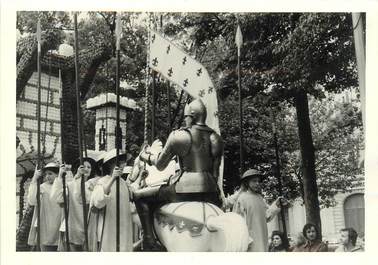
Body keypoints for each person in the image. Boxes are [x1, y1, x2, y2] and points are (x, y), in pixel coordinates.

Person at [135, 99, 224, 250]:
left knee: (139, 196)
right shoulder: (215, 137)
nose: (185, 120)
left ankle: (149, 239)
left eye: (186, 117)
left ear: (193, 116)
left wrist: (145, 156)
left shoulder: (180, 136)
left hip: (184, 189)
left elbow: (160, 165)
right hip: (210, 192)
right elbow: (215, 173)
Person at [230, 169, 286, 252]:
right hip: (250, 242)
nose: (257, 184)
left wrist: (276, 204)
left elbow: (267, 216)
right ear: (247, 182)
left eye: (258, 181)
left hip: (262, 238)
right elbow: (238, 223)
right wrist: (246, 241)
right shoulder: (242, 199)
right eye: (254, 181)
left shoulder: (260, 198)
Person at [51, 157, 99, 251]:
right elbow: (57, 198)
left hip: (91, 227)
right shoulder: (71, 185)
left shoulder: (95, 185)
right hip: (74, 228)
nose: (86, 169)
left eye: (89, 167)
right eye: (83, 167)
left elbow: (90, 200)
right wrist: (60, 176)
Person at [90, 149, 133, 252]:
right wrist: (113, 179)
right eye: (119, 162)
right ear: (110, 165)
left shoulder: (123, 183)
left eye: (124, 162)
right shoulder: (102, 181)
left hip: (123, 227)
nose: (123, 165)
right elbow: (98, 202)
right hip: (108, 228)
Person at [27, 162, 62, 251]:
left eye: (50, 174)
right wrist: (35, 179)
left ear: (57, 174)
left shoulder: (62, 186)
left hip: (59, 220)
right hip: (46, 222)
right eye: (46, 174)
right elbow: (32, 200)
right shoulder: (42, 187)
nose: (47, 176)